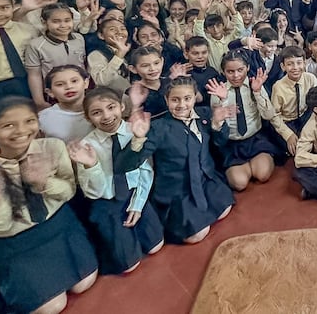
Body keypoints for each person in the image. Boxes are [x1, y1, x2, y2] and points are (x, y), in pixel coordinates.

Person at [0, 97, 98, 313]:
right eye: (8, 125)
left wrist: (43, 183)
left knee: (83, 284)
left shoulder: (52, 147)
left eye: (29, 121)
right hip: (15, 241)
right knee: (52, 306)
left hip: (58, 226)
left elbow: (68, 192)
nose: (21, 130)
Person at [114, 76, 235, 244]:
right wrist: (138, 139)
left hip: (204, 180)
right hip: (178, 189)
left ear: (194, 97)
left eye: (187, 99)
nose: (182, 105)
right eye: (175, 100)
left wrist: (218, 125)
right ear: (166, 99)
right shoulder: (158, 127)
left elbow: (219, 143)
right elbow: (126, 165)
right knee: (197, 235)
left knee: (225, 208)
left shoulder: (205, 114)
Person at [70, 87, 164, 275]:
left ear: (121, 106)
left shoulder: (135, 130)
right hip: (107, 202)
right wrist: (92, 165)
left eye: (111, 107)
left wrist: (138, 204)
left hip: (135, 194)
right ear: (88, 118)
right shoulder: (87, 146)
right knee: (129, 265)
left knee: (156, 246)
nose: (106, 116)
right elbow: (93, 193)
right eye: (97, 113)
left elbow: (146, 171)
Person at [207, 52, 278, 191]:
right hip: (231, 144)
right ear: (223, 71)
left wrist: (258, 92)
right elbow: (218, 134)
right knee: (239, 184)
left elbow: (269, 115)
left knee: (263, 175)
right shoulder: (218, 92)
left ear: (247, 68)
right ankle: (243, 167)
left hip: (255, 139)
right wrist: (222, 101)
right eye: (230, 71)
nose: (236, 76)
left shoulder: (255, 84)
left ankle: (255, 163)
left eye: (240, 70)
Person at [25, 3, 87, 110]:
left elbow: (82, 64)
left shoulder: (79, 39)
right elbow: (34, 75)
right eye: (56, 21)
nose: (63, 25)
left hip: (79, 90)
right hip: (55, 93)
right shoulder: (36, 45)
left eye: (67, 20)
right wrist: (39, 101)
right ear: (45, 22)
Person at [270, 46, 317, 156]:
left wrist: (310, 127)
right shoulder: (278, 87)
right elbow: (274, 116)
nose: (295, 67)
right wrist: (288, 135)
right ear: (283, 66)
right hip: (287, 121)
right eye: (290, 64)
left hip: (306, 116)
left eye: (299, 63)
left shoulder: (310, 78)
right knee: (295, 148)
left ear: (304, 64)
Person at [38, 65, 94, 143]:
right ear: (50, 92)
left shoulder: (102, 110)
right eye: (60, 84)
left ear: (86, 83)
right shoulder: (43, 118)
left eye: (74, 81)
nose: (69, 87)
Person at [88, 18, 132, 95]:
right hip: (109, 100)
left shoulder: (130, 52)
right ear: (101, 35)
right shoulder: (96, 55)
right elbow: (101, 81)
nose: (119, 32)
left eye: (123, 29)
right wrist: (119, 56)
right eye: (112, 29)